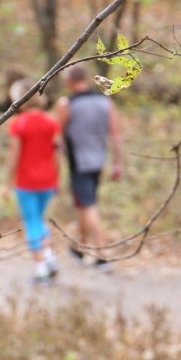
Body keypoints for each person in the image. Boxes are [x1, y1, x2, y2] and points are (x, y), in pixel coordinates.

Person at [55, 64, 123, 270]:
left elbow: (57, 136)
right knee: (83, 204)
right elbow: (116, 134)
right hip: (99, 161)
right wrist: (117, 162)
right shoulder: (105, 101)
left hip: (79, 162)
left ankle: (101, 253)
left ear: (69, 81)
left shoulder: (66, 104)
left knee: (88, 205)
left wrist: (55, 165)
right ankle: (78, 246)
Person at [5, 79, 61, 284]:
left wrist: (6, 182)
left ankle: (40, 266)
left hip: (26, 182)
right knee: (39, 219)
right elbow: (57, 154)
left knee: (32, 221)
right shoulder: (51, 121)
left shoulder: (18, 123)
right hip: (48, 180)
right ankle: (49, 256)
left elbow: (14, 156)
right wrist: (57, 179)